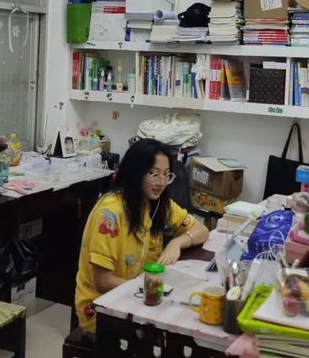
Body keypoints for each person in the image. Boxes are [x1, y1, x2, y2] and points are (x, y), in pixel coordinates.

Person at [74, 138, 209, 333]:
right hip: (103, 309)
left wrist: (177, 243)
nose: (161, 182)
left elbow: (201, 230)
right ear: (136, 173)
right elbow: (103, 282)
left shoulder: (157, 203)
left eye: (166, 175)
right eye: (154, 174)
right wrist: (150, 289)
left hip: (140, 297)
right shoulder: (110, 213)